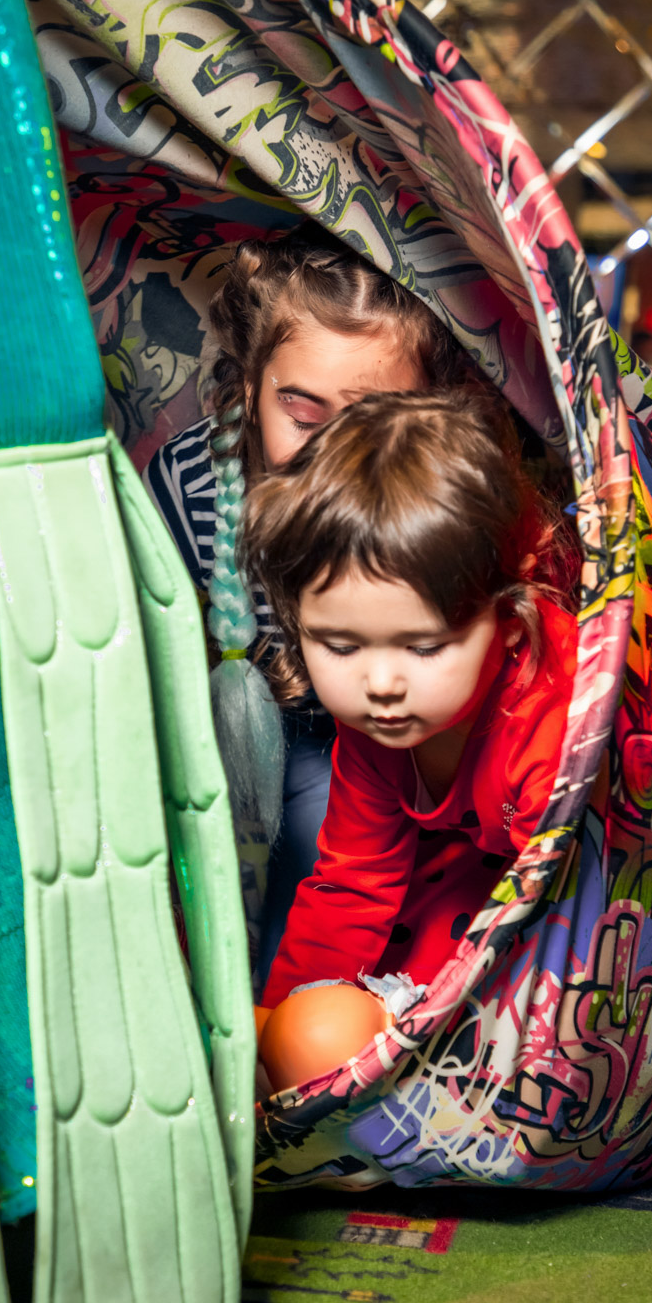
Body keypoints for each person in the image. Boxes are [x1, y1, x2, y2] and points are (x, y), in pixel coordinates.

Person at [142, 225, 471, 976]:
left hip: (397, 742)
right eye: (304, 414)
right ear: (250, 385)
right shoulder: (188, 486)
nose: (332, 459)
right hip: (259, 726)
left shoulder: (448, 495)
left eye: (372, 422)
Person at [240, 390, 579, 1086]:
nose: (380, 683)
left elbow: (574, 922)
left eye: (423, 647)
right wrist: (279, 1027)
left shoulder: (553, 722)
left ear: (508, 619)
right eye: (339, 645)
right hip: (479, 880)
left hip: (583, 915)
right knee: (292, 1029)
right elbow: (352, 881)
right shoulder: (380, 723)